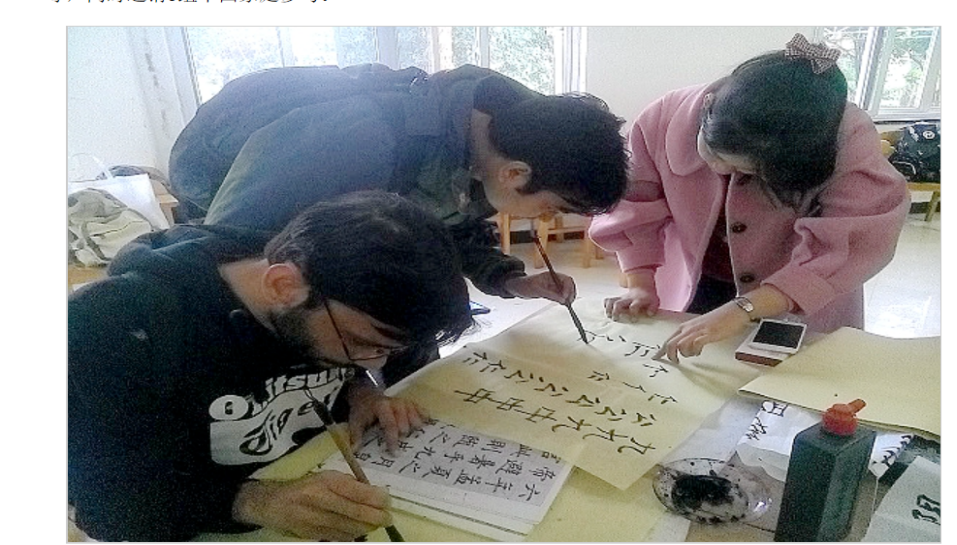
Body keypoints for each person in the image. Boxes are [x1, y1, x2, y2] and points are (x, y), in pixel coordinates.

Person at [168, 63, 629, 374]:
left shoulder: (500, 142)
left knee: (407, 358)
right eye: (553, 208)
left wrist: (511, 280)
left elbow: (448, 227)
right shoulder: (363, 139)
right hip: (230, 183)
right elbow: (224, 254)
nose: (547, 219)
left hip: (332, 207)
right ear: (516, 175)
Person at [68, 191, 474, 542]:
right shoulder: (111, 327)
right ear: (283, 286)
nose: (378, 362)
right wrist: (255, 501)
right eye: (363, 344)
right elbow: (107, 504)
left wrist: (364, 389)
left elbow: (372, 350)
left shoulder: (336, 294)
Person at [590, 34, 910, 361]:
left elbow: (857, 236)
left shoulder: (846, 134)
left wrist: (745, 308)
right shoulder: (663, 118)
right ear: (708, 106)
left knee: (781, 382)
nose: (720, 169)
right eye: (714, 153)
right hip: (695, 282)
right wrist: (640, 281)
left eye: (747, 170)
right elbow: (634, 203)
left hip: (799, 297)